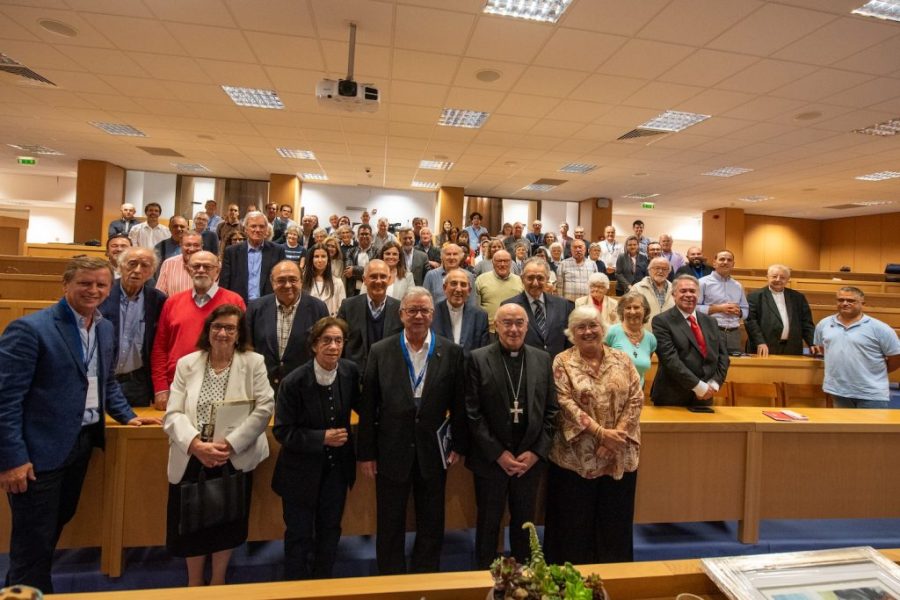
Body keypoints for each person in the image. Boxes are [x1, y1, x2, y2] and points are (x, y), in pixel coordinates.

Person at [0, 257, 160, 593]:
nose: (94, 290)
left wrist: (127, 415)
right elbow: (6, 401)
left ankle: (17, 586)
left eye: (101, 284)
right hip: (38, 453)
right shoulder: (30, 329)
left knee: (51, 529)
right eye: (85, 283)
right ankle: (31, 589)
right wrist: (12, 459)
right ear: (66, 284)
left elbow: (105, 382)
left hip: (81, 444)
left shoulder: (102, 326)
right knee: (34, 538)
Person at [357, 287, 467, 575]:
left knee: (432, 522)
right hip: (391, 450)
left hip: (433, 451)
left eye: (424, 311)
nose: (418, 316)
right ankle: (391, 582)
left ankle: (425, 578)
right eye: (412, 310)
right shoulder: (380, 351)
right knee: (390, 522)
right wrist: (366, 453)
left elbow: (459, 403)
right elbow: (368, 405)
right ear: (401, 314)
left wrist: (458, 444)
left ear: (432, 315)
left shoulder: (451, 351)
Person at [163, 304, 274, 587]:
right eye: (217, 327)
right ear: (208, 330)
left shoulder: (253, 362)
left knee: (227, 523)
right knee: (191, 525)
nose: (222, 333)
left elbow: (264, 407)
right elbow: (173, 413)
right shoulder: (188, 363)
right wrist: (196, 445)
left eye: (230, 328)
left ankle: (218, 581)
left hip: (232, 457)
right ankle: (194, 583)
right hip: (192, 456)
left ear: (239, 333)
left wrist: (230, 445)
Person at [543, 305, 643, 565]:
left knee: (614, 525)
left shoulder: (622, 359)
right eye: (581, 327)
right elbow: (563, 402)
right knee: (574, 527)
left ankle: (614, 580)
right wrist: (600, 434)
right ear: (572, 333)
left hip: (618, 456)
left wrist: (613, 439)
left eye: (593, 325)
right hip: (576, 461)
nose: (588, 331)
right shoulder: (562, 362)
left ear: (603, 328)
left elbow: (635, 398)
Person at [466, 303, 558, 569]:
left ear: (527, 326)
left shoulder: (542, 359)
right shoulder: (478, 358)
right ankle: (483, 576)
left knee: (525, 524)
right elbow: (472, 413)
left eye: (519, 322)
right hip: (490, 460)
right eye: (507, 323)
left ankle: (525, 580)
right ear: (496, 326)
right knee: (488, 524)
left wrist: (536, 452)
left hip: (528, 461)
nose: (514, 329)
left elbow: (552, 411)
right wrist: (498, 454)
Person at [272, 317, 359, 579]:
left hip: (336, 472)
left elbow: (366, 407)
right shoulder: (293, 382)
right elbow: (282, 431)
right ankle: (297, 590)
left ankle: (323, 586)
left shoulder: (350, 372)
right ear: (313, 345)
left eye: (338, 341)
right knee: (299, 535)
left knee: (330, 531)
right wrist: (321, 438)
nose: (333, 346)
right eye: (326, 341)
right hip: (299, 474)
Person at [151, 251, 246, 411]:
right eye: (196, 266)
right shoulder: (172, 302)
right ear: (188, 270)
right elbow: (160, 347)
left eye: (207, 266)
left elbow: (244, 346)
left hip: (223, 387)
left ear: (217, 271)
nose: (201, 270)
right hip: (179, 385)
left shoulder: (234, 301)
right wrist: (161, 388)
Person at [246, 260, 329, 395]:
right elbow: (248, 347)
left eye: (293, 280)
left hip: (303, 386)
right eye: (281, 280)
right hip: (262, 385)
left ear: (301, 281)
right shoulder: (256, 308)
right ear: (272, 283)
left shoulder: (318, 308)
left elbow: (322, 347)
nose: (287, 285)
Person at [99, 246, 167, 407]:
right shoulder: (102, 293)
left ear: (151, 272)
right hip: (101, 378)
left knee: (134, 428)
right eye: (132, 264)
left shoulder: (157, 300)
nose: (137, 270)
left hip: (136, 384)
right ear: (120, 266)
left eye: (144, 266)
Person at [813, 287, 900, 408]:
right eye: (840, 300)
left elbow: (896, 357)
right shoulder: (824, 324)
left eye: (850, 300)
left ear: (862, 303)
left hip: (871, 393)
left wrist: (873, 371)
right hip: (838, 391)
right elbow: (824, 349)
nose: (844, 303)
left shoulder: (880, 328)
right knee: (842, 427)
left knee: (870, 427)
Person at [651, 275, 729, 407]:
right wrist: (699, 387)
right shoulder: (662, 321)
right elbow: (670, 360)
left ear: (698, 294)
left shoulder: (711, 321)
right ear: (673, 294)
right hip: (672, 397)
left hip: (705, 397)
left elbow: (723, 357)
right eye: (683, 291)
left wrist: (714, 384)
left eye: (692, 291)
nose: (688, 295)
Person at [336, 260, 402, 375]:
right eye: (373, 276)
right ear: (364, 280)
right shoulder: (348, 306)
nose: (378, 281)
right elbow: (338, 341)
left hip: (388, 376)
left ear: (390, 279)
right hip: (354, 377)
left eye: (383, 276)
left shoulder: (400, 309)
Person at [502, 258, 574, 358]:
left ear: (547, 278)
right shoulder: (508, 307)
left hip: (557, 368)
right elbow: (504, 345)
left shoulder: (563, 305)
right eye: (530, 278)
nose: (535, 283)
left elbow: (570, 341)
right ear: (522, 279)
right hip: (524, 368)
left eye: (540, 278)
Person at [745, 264, 818, 357]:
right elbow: (751, 322)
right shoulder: (754, 296)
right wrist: (760, 342)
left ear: (788, 279)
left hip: (792, 348)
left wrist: (812, 343)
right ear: (767, 277)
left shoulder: (798, 298)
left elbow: (807, 323)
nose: (778, 279)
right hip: (764, 348)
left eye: (782, 277)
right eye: (774, 276)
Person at [220, 211, 287, 304]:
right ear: (245, 229)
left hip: (268, 305)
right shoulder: (231, 252)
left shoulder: (278, 250)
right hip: (238, 305)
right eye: (253, 226)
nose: (258, 230)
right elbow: (224, 283)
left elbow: (282, 280)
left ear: (266, 229)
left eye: (261, 226)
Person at [698, 250, 749, 354]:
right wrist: (718, 308)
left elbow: (745, 309)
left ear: (733, 264)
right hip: (711, 331)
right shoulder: (702, 282)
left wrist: (739, 312)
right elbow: (693, 308)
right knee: (711, 365)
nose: (725, 262)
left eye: (729, 260)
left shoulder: (737, 285)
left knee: (734, 367)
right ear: (714, 263)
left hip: (733, 333)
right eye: (722, 259)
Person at [432, 269, 489, 354]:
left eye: (463, 285)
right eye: (454, 284)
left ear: (469, 291)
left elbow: (482, 353)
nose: (458, 289)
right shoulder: (432, 313)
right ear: (444, 288)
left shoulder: (480, 316)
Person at [606, 292, 658, 386]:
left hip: (637, 393)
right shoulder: (611, 332)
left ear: (645, 310)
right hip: (611, 393)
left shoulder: (651, 339)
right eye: (628, 308)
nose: (632, 312)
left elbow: (641, 368)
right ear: (622, 311)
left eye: (636, 307)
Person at [475, 250, 524, 333]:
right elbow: (476, 309)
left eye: (506, 261)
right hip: (489, 331)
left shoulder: (520, 281)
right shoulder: (481, 280)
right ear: (493, 263)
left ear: (511, 263)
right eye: (499, 261)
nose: (502, 264)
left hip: (514, 331)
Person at [302, 243, 346, 317]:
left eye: (323, 256)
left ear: (328, 259)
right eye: (316, 256)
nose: (320, 260)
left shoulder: (337, 282)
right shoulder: (302, 281)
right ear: (311, 259)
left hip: (330, 323)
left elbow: (342, 309)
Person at [631, 257, 675, 328]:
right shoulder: (637, 288)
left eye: (664, 269)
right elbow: (630, 312)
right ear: (649, 270)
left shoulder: (675, 289)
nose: (660, 271)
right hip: (645, 332)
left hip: (668, 333)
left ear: (669, 272)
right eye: (657, 268)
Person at [156, 232, 203, 297]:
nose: (192, 249)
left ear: (202, 246)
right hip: (175, 307)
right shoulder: (168, 264)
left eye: (196, 245)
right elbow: (159, 294)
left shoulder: (212, 265)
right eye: (188, 245)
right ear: (180, 245)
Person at [343, 223, 375, 296]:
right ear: (357, 236)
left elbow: (373, 272)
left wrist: (354, 269)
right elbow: (348, 272)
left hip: (371, 290)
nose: (364, 236)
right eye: (362, 234)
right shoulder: (350, 251)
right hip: (353, 291)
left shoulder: (377, 252)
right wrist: (366, 272)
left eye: (367, 234)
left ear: (371, 236)